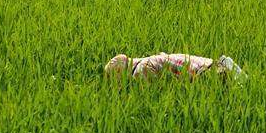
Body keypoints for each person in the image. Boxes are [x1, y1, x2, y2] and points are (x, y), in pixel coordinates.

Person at [104, 52, 247, 83]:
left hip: (205, 75)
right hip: (215, 65)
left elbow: (155, 93)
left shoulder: (141, 70)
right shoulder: (153, 58)